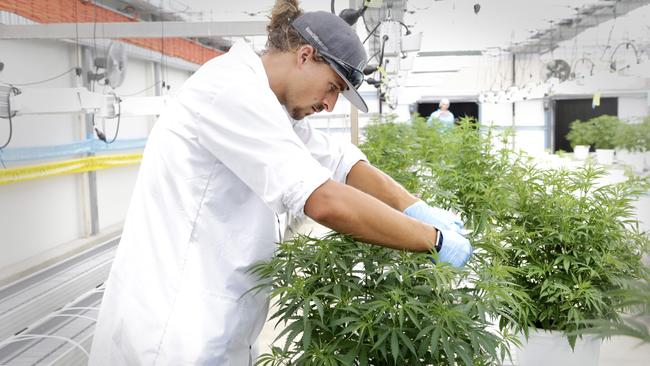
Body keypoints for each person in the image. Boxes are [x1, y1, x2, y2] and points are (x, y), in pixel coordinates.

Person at [89, 1, 472, 364]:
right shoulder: (229, 90)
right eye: (334, 87)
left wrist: (415, 206)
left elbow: (339, 159)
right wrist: (431, 239)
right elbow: (323, 200)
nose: (329, 104)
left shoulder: (272, 105)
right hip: (172, 334)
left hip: (218, 325)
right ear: (305, 56)